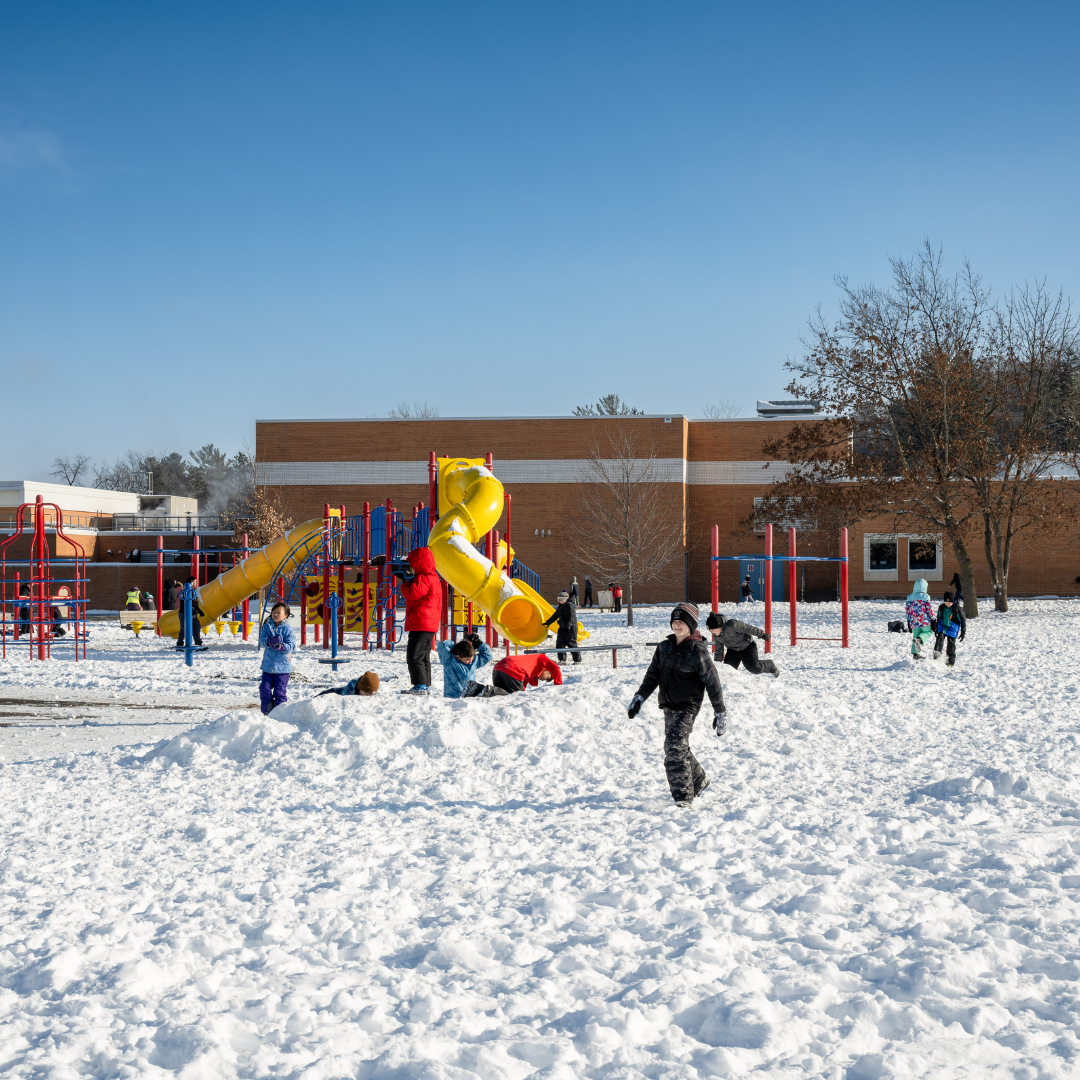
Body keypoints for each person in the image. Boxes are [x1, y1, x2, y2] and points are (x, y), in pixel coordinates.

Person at [627, 602, 726, 808]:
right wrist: (639, 697)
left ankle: (683, 798)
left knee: (673, 747)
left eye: (681, 622)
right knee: (676, 747)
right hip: (668, 705)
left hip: (688, 706)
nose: (677, 625)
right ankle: (699, 780)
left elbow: (713, 683)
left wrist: (720, 712)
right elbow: (652, 675)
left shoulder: (698, 652)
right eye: (674, 621)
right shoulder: (664, 648)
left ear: (691, 625)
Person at [394, 547, 442, 694]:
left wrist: (405, 582)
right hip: (429, 623)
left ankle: (420, 685)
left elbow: (411, 594)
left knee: (414, 655)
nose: (412, 568)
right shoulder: (433, 577)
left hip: (421, 622)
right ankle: (425, 684)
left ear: (419, 563)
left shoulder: (424, 578)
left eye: (413, 564)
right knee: (423, 655)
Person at [705, 611, 779, 677]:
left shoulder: (732, 625)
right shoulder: (716, 635)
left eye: (712, 629)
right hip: (732, 651)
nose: (711, 631)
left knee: (755, 668)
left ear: (719, 626)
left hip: (747, 647)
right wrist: (718, 666)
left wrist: (762, 634)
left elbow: (748, 628)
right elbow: (719, 650)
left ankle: (771, 665)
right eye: (709, 630)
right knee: (727, 670)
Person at [463, 652, 562, 697]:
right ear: (548, 670)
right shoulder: (542, 659)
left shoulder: (532, 670)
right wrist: (559, 687)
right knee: (514, 696)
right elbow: (556, 669)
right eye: (547, 678)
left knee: (500, 694)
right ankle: (487, 690)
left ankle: (476, 688)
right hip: (512, 670)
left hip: (498, 668)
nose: (543, 680)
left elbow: (521, 685)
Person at [258, 602, 296, 714]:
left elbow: (292, 645)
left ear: (286, 615)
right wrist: (269, 641)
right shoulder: (267, 626)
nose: (275, 614)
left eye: (278, 612)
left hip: (283, 668)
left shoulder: (288, 629)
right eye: (273, 612)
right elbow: (262, 641)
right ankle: (267, 711)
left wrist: (281, 646)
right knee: (264, 688)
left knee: (279, 691)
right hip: (268, 667)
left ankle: (280, 713)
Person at [437, 633, 493, 698]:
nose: (470, 661)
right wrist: (456, 647)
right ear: (458, 657)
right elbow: (443, 645)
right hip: (451, 697)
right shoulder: (449, 661)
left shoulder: (473, 662)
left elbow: (488, 655)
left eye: (471, 659)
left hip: (469, 697)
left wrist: (479, 643)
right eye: (467, 659)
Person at [544, 589, 581, 663]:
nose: (561, 601)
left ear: (566, 599)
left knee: (571, 644)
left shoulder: (569, 606)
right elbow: (555, 615)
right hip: (562, 628)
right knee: (560, 644)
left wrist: (568, 626)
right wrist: (548, 622)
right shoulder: (560, 606)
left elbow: (571, 617)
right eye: (560, 599)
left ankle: (577, 660)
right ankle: (562, 659)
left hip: (570, 628)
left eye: (563, 599)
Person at [933, 591, 966, 667]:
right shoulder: (941, 607)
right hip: (942, 626)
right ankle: (936, 658)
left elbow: (963, 621)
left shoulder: (958, 609)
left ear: (953, 601)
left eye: (949, 603)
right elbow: (938, 618)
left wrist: (963, 632)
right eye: (946, 602)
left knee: (951, 645)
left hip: (952, 628)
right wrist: (936, 628)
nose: (947, 604)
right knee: (939, 641)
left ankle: (950, 662)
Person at [905, 578, 935, 660]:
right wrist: (933, 619)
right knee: (927, 631)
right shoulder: (926, 597)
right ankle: (919, 639)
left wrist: (908, 620)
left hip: (913, 621)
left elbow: (907, 610)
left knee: (915, 635)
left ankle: (915, 654)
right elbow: (929, 609)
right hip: (923, 620)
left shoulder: (909, 597)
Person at [184, 577, 204, 646]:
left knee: (196, 626)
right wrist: (197, 610)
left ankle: (197, 641)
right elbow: (192, 603)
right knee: (191, 627)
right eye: (195, 582)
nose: (196, 583)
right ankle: (181, 642)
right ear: (191, 583)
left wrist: (198, 610)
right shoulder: (188, 591)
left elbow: (194, 603)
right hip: (189, 613)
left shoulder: (192, 591)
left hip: (192, 612)